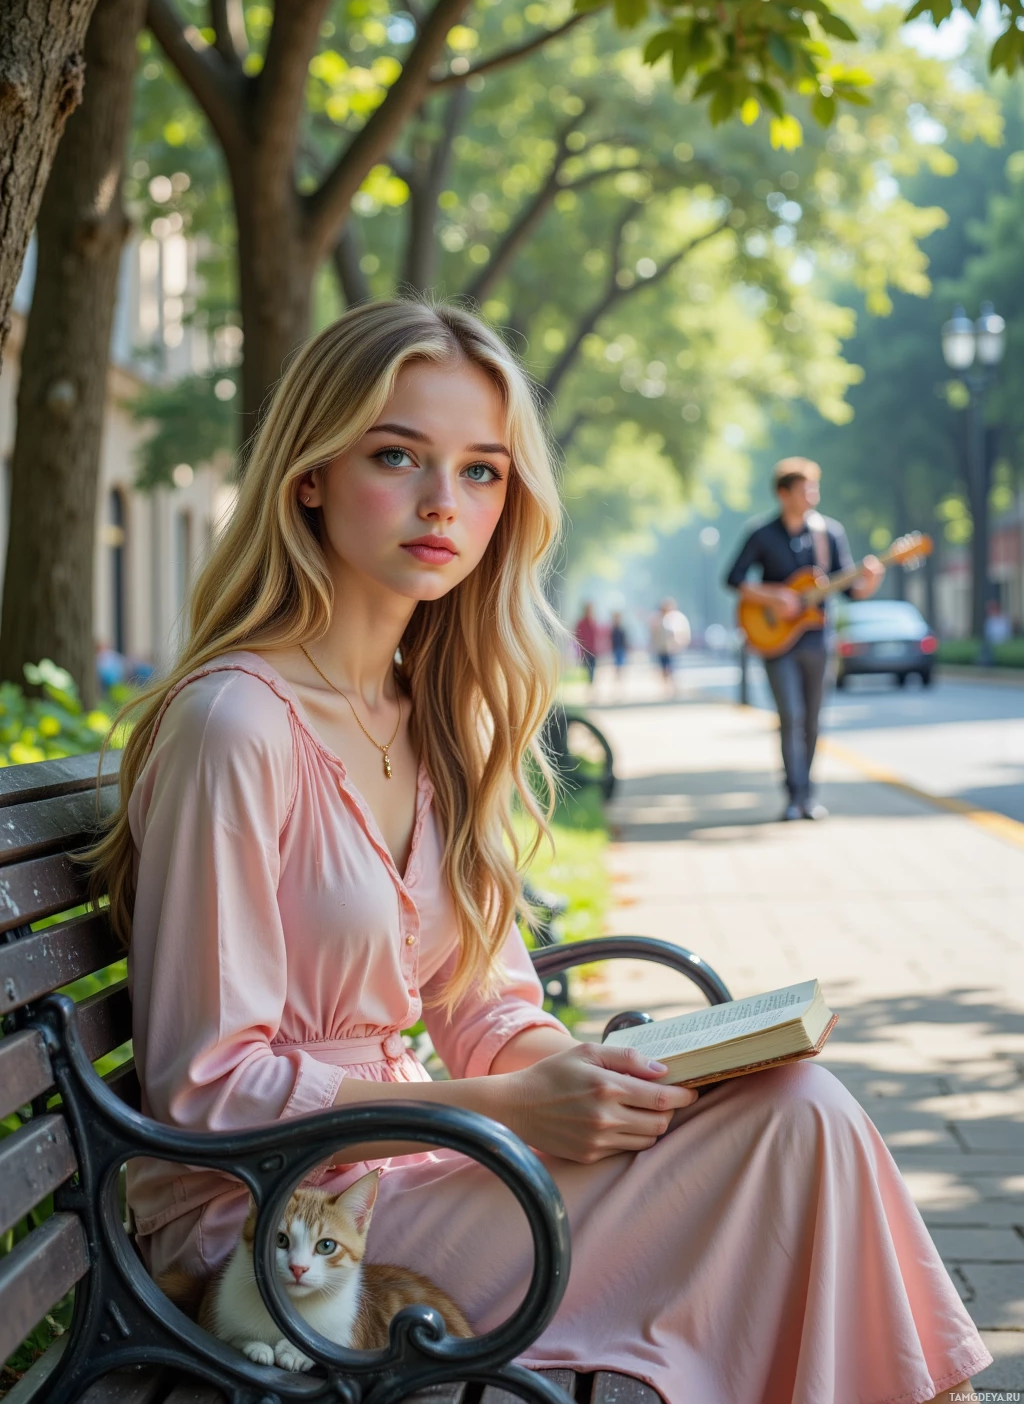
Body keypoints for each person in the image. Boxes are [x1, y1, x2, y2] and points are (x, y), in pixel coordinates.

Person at [89, 305, 987, 1403]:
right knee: (790, 1156)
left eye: (481, 472)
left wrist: (582, 1080)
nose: (442, 505)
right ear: (310, 476)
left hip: (410, 1167)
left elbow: (485, 1005)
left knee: (795, 1106)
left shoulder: (427, 716)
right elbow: (207, 1093)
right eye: (396, 456)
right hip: (271, 1228)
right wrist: (505, 1111)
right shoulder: (236, 727)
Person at [726, 456, 884, 821]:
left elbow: (849, 589)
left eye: (815, 487)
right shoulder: (761, 534)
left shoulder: (829, 533)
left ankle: (808, 794)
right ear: (783, 494)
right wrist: (774, 597)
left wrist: (870, 581)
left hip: (817, 641)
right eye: (804, 488)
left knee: (812, 720)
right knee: (790, 716)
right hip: (776, 641)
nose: (812, 494)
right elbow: (733, 578)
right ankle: (794, 796)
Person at [649, 597, 690, 696]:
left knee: (673, 668)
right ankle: (666, 686)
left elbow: (684, 631)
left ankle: (673, 687)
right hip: (661, 648)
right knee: (663, 669)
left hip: (674, 649)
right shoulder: (656, 618)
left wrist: (683, 641)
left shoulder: (678, 618)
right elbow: (652, 633)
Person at [574, 601, 599, 688]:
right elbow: (577, 636)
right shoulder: (581, 623)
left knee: (592, 669)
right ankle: (588, 686)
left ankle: (591, 686)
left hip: (593, 650)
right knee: (586, 669)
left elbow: (597, 636)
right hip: (585, 650)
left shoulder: (594, 622)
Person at [609, 609, 629, 685]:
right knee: (617, 663)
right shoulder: (613, 629)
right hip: (616, 649)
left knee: (621, 662)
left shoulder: (622, 628)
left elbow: (624, 639)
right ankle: (617, 675)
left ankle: (620, 676)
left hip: (621, 648)